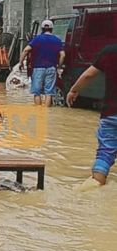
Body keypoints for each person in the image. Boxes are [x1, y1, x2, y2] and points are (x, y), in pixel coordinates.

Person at [67, 44, 117, 190]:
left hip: (111, 113)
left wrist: (74, 90)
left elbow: (88, 75)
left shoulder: (109, 52)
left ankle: (95, 183)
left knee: (105, 154)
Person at [19, 19, 66, 106]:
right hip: (51, 68)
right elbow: (62, 55)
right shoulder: (57, 40)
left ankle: (39, 114)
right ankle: (46, 113)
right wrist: (58, 66)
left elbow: (26, 50)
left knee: (37, 92)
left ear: (42, 29)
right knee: (49, 92)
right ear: (52, 29)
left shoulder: (37, 39)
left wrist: (21, 62)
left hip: (38, 68)